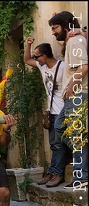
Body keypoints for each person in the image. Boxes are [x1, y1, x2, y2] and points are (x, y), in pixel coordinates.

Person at [48, 11, 88, 190]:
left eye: (55, 28)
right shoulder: (72, 40)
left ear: (65, 26)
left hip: (78, 94)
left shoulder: (75, 40)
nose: (53, 32)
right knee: (64, 129)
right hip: (73, 95)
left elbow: (84, 67)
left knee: (74, 134)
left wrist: (71, 87)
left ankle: (82, 175)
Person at [24, 38, 67, 188]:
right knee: (54, 144)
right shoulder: (42, 67)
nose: (36, 59)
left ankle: (57, 173)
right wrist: (28, 45)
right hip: (51, 111)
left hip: (62, 110)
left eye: (38, 56)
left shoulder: (63, 67)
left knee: (59, 144)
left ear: (45, 56)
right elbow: (27, 59)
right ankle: (53, 172)